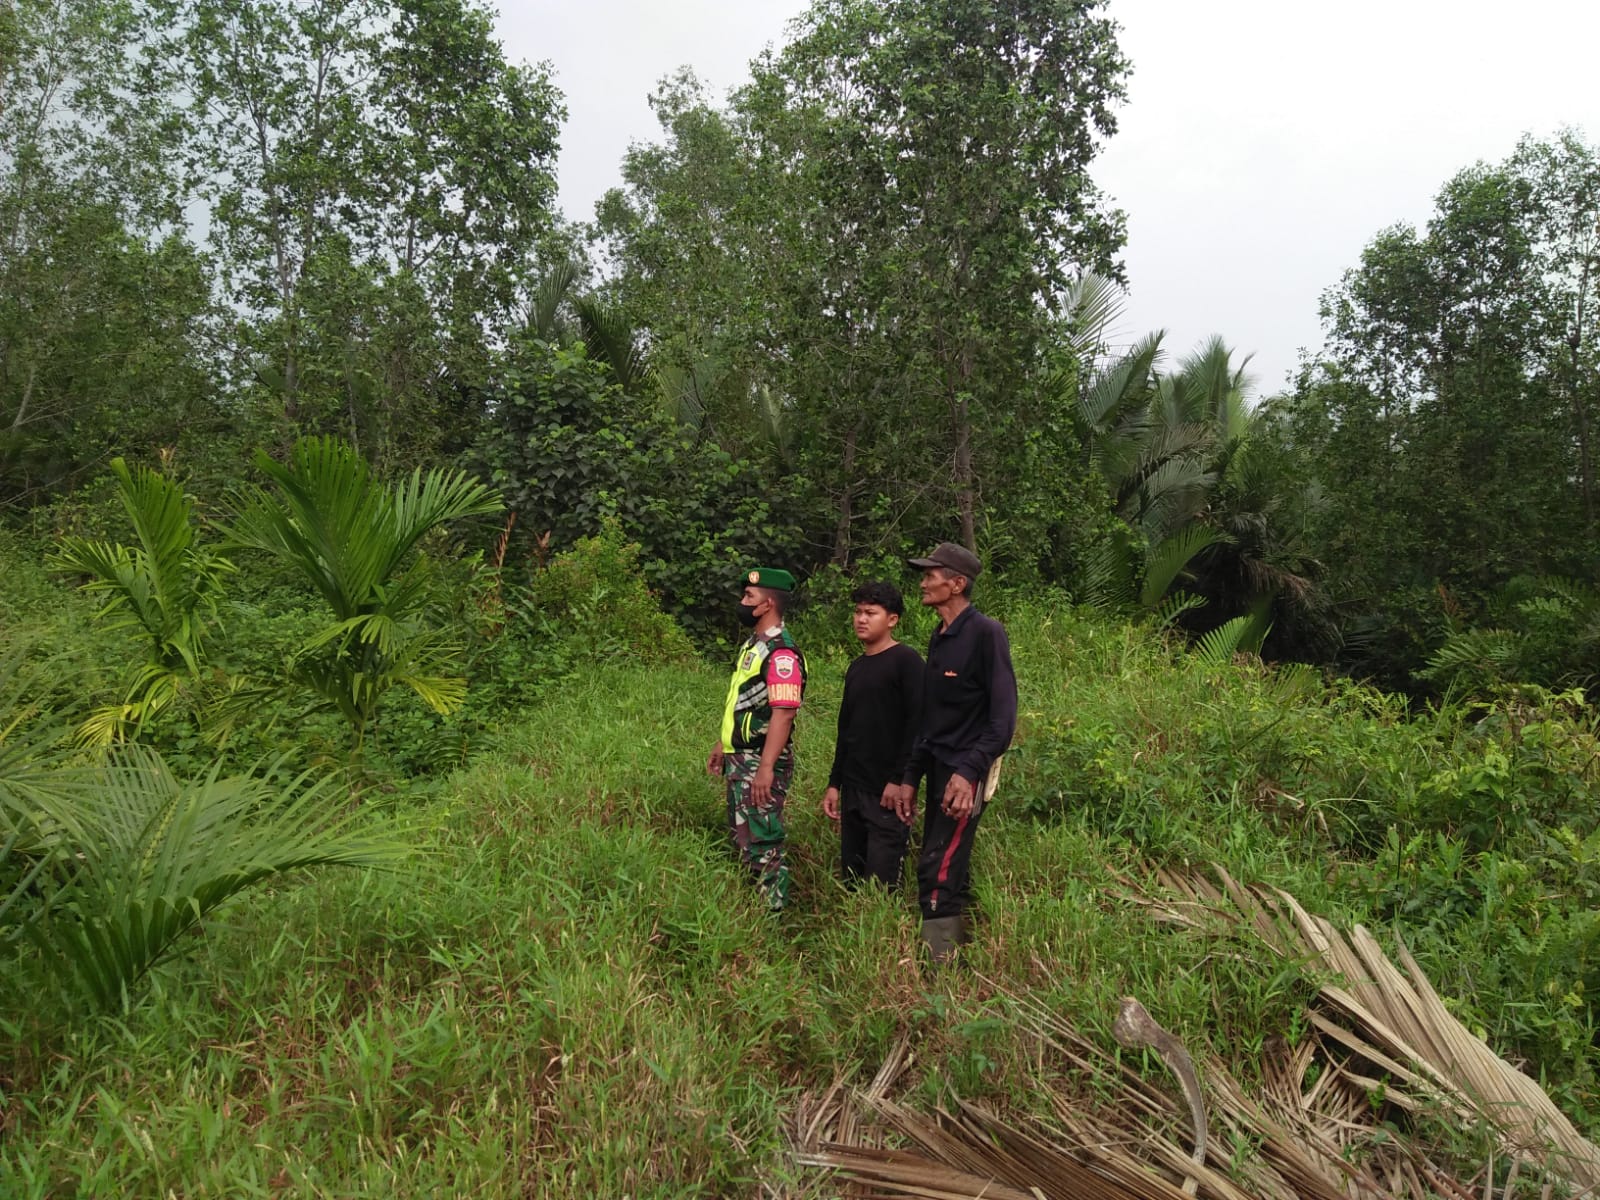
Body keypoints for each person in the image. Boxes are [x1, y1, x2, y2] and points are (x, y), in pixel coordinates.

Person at [888, 542, 1017, 962]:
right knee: (943, 859)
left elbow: (1002, 722)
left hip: (966, 772)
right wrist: (910, 777)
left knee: (939, 864)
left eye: (932, 575)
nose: (923, 582)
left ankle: (939, 968)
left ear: (957, 584)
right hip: (938, 765)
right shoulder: (940, 636)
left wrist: (968, 773)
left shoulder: (986, 633)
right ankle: (951, 955)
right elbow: (931, 719)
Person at [707, 567, 806, 912]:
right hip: (741, 757)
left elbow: (784, 713)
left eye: (749, 597)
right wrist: (724, 743)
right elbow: (745, 700)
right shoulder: (755, 645)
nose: (742, 602)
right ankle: (752, 912)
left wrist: (766, 768)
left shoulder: (782, 654)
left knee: (763, 842)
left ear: (766, 605)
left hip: (759, 761)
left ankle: (773, 917)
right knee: (743, 839)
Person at [821, 582, 924, 889]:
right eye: (857, 612)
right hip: (854, 787)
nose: (861, 619)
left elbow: (917, 725)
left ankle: (886, 936)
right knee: (852, 879)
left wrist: (900, 779)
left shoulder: (907, 662)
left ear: (892, 619)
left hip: (887, 793)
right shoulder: (857, 667)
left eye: (870, 613)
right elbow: (846, 729)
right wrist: (834, 783)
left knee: (882, 883)